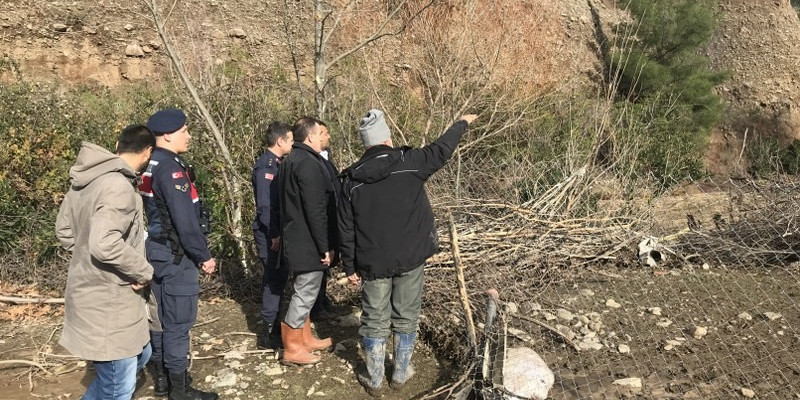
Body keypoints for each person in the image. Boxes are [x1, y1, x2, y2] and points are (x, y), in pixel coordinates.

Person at [338, 109, 478, 396]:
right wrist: (462, 123)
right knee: (406, 315)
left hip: (373, 262)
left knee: (374, 318)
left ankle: (375, 379)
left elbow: (346, 229)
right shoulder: (411, 163)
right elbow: (442, 149)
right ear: (388, 138)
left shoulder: (351, 181)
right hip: (411, 257)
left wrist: (349, 267)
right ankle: (400, 373)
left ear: (366, 144)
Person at [55, 125, 156, 400]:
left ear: (117, 145)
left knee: (141, 353)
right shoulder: (118, 186)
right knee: (118, 386)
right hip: (108, 300)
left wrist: (87, 260)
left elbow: (64, 231)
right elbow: (104, 243)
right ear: (147, 153)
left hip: (91, 292)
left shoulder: (87, 180)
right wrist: (143, 271)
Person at [138, 108, 218, 400]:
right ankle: (180, 391)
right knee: (178, 324)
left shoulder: (149, 162)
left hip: (157, 252)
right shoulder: (170, 168)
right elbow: (185, 221)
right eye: (185, 131)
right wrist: (203, 255)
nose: (189, 135)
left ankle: (162, 381)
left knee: (159, 319)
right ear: (168, 135)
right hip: (175, 255)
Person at [277, 116, 337, 365]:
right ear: (310, 136)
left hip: (297, 236)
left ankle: (305, 338)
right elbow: (316, 209)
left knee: (307, 292)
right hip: (308, 241)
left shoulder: (291, 160)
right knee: (304, 292)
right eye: (321, 132)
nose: (326, 137)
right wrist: (325, 246)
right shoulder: (309, 163)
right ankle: (292, 348)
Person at [251, 121, 293, 350]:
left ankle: (275, 323)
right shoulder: (266, 167)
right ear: (280, 141)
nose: (293, 144)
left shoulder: (277, 164)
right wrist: (274, 234)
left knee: (279, 278)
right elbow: (265, 207)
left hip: (277, 230)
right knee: (273, 279)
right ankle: (268, 332)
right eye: (290, 140)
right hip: (270, 233)